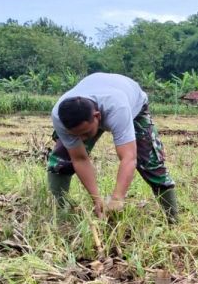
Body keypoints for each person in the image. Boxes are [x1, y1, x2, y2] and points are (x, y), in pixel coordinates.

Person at [46, 73, 178, 221]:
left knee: (150, 163)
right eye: (76, 135)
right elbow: (79, 159)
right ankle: (59, 213)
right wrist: (97, 200)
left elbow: (128, 157)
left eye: (85, 133)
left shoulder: (118, 109)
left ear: (97, 116)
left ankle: (172, 218)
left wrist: (117, 198)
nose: (82, 139)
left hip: (132, 102)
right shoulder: (59, 117)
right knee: (62, 161)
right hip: (98, 89)